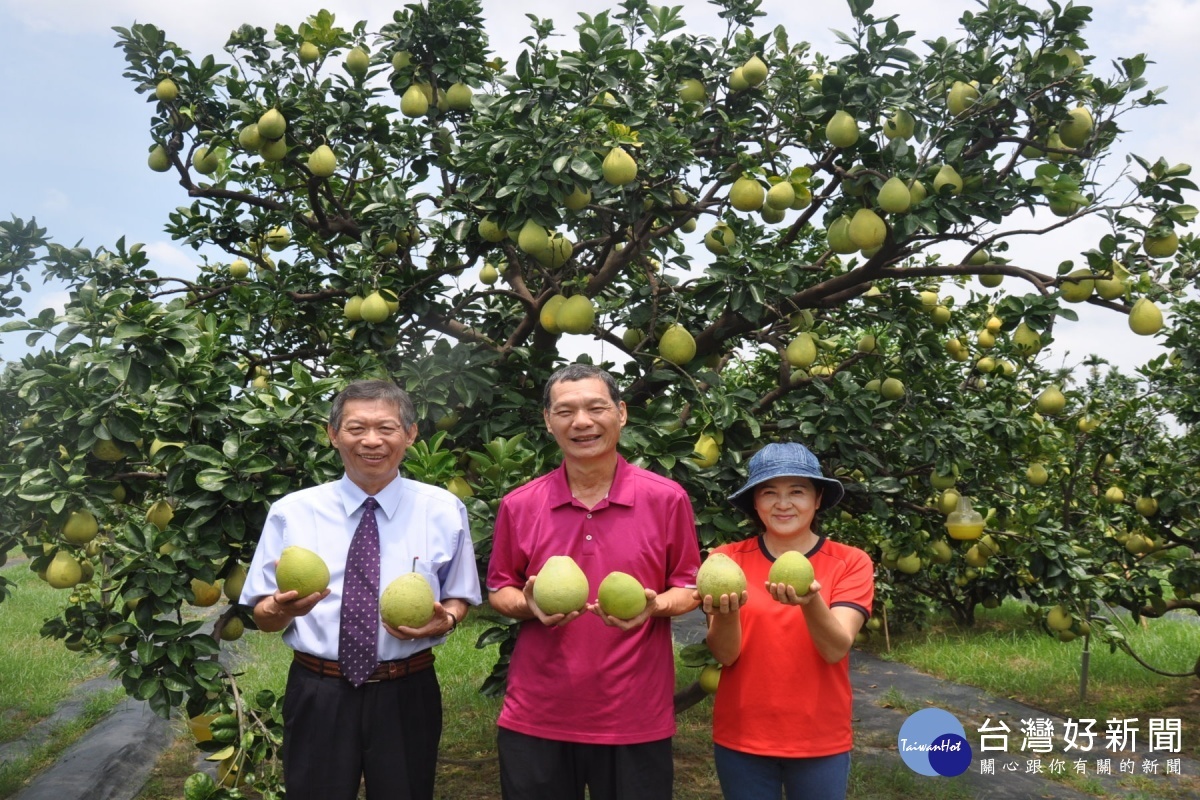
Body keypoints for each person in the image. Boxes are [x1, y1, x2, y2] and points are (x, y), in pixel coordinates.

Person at [240, 379, 482, 800]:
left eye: (386, 428)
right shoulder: (292, 513)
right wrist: (281, 610)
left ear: (410, 434)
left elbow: (458, 594)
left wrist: (450, 617)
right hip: (320, 690)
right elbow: (261, 613)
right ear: (333, 434)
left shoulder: (443, 510)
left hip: (407, 690)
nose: (372, 441)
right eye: (356, 428)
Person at [486, 363, 702, 800]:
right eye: (565, 411)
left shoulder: (666, 498)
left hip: (633, 717)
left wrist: (655, 606)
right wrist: (528, 606)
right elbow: (499, 589)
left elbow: (688, 587)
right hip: (537, 716)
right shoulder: (520, 504)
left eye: (596, 407)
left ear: (620, 413)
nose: (581, 422)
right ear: (548, 422)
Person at [702, 442, 874, 800]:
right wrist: (727, 611)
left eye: (797, 491)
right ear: (754, 501)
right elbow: (726, 655)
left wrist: (810, 603)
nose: (783, 504)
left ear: (817, 498)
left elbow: (835, 648)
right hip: (742, 735)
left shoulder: (850, 562)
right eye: (769, 493)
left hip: (819, 738)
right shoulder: (725, 562)